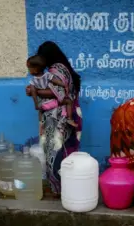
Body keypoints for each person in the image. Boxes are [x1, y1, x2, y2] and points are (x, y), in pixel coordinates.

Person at [26, 41, 82, 197]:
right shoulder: (63, 68)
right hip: (63, 115)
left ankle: (59, 189)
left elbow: (57, 92)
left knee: (55, 152)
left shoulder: (55, 70)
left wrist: (34, 91)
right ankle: (65, 188)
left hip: (58, 117)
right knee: (63, 152)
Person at [26, 55, 78, 128]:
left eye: (29, 68)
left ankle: (41, 125)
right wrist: (64, 84)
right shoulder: (48, 75)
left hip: (44, 105)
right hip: (54, 102)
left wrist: (36, 105)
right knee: (68, 101)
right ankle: (69, 119)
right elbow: (56, 81)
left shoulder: (32, 81)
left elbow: (34, 95)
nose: (28, 70)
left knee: (40, 111)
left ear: (35, 69)